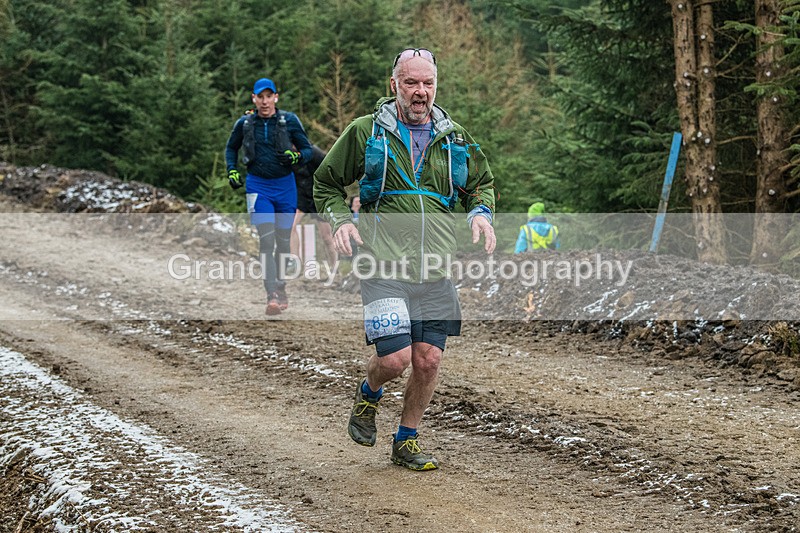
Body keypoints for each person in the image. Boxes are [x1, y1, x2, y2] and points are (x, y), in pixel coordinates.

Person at [314, 48, 496, 471]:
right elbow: (325, 183)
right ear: (393, 84)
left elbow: (481, 183)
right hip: (382, 266)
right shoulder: (366, 132)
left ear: (436, 86)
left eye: (427, 83)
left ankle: (406, 440)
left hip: (435, 270)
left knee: (428, 360)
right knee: (395, 360)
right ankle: (369, 393)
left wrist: (480, 213)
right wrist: (340, 220)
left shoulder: (455, 139)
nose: (420, 92)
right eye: (411, 83)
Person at [225, 77, 313, 315]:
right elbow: (231, 148)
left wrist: (296, 157)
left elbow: (307, 149)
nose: (264, 101)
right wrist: (232, 170)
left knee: (283, 242)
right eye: (259, 97)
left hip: (285, 187)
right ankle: (271, 293)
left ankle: (281, 286)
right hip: (257, 186)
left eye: (268, 96)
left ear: (276, 97)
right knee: (266, 239)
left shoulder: (289, 121)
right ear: (254, 98)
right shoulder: (245, 123)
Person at [291, 144, 337, 266]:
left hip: (319, 196)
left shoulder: (313, 152)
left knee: (327, 237)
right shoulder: (287, 155)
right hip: (301, 195)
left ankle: (334, 268)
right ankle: (295, 262)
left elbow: (330, 167)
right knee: (291, 226)